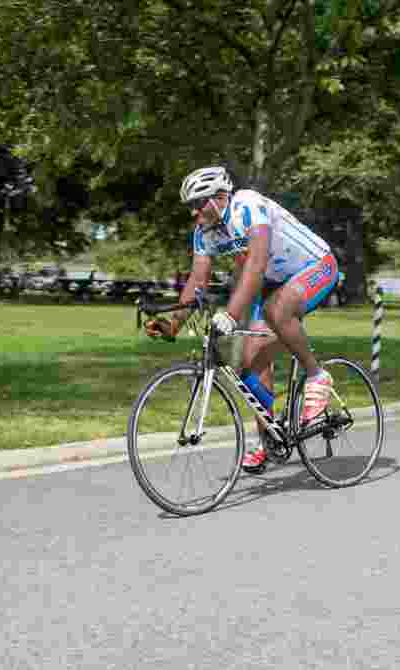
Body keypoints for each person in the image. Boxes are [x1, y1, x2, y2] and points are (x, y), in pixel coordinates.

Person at [145, 166, 339, 471]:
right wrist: (174, 322)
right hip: (277, 285)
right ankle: (270, 439)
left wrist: (233, 315)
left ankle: (317, 375)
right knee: (251, 361)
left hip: (317, 266)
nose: (193, 213)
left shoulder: (247, 205)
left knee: (277, 310)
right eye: (190, 207)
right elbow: (198, 280)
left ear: (220, 197)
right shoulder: (204, 233)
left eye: (198, 204)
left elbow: (257, 265)